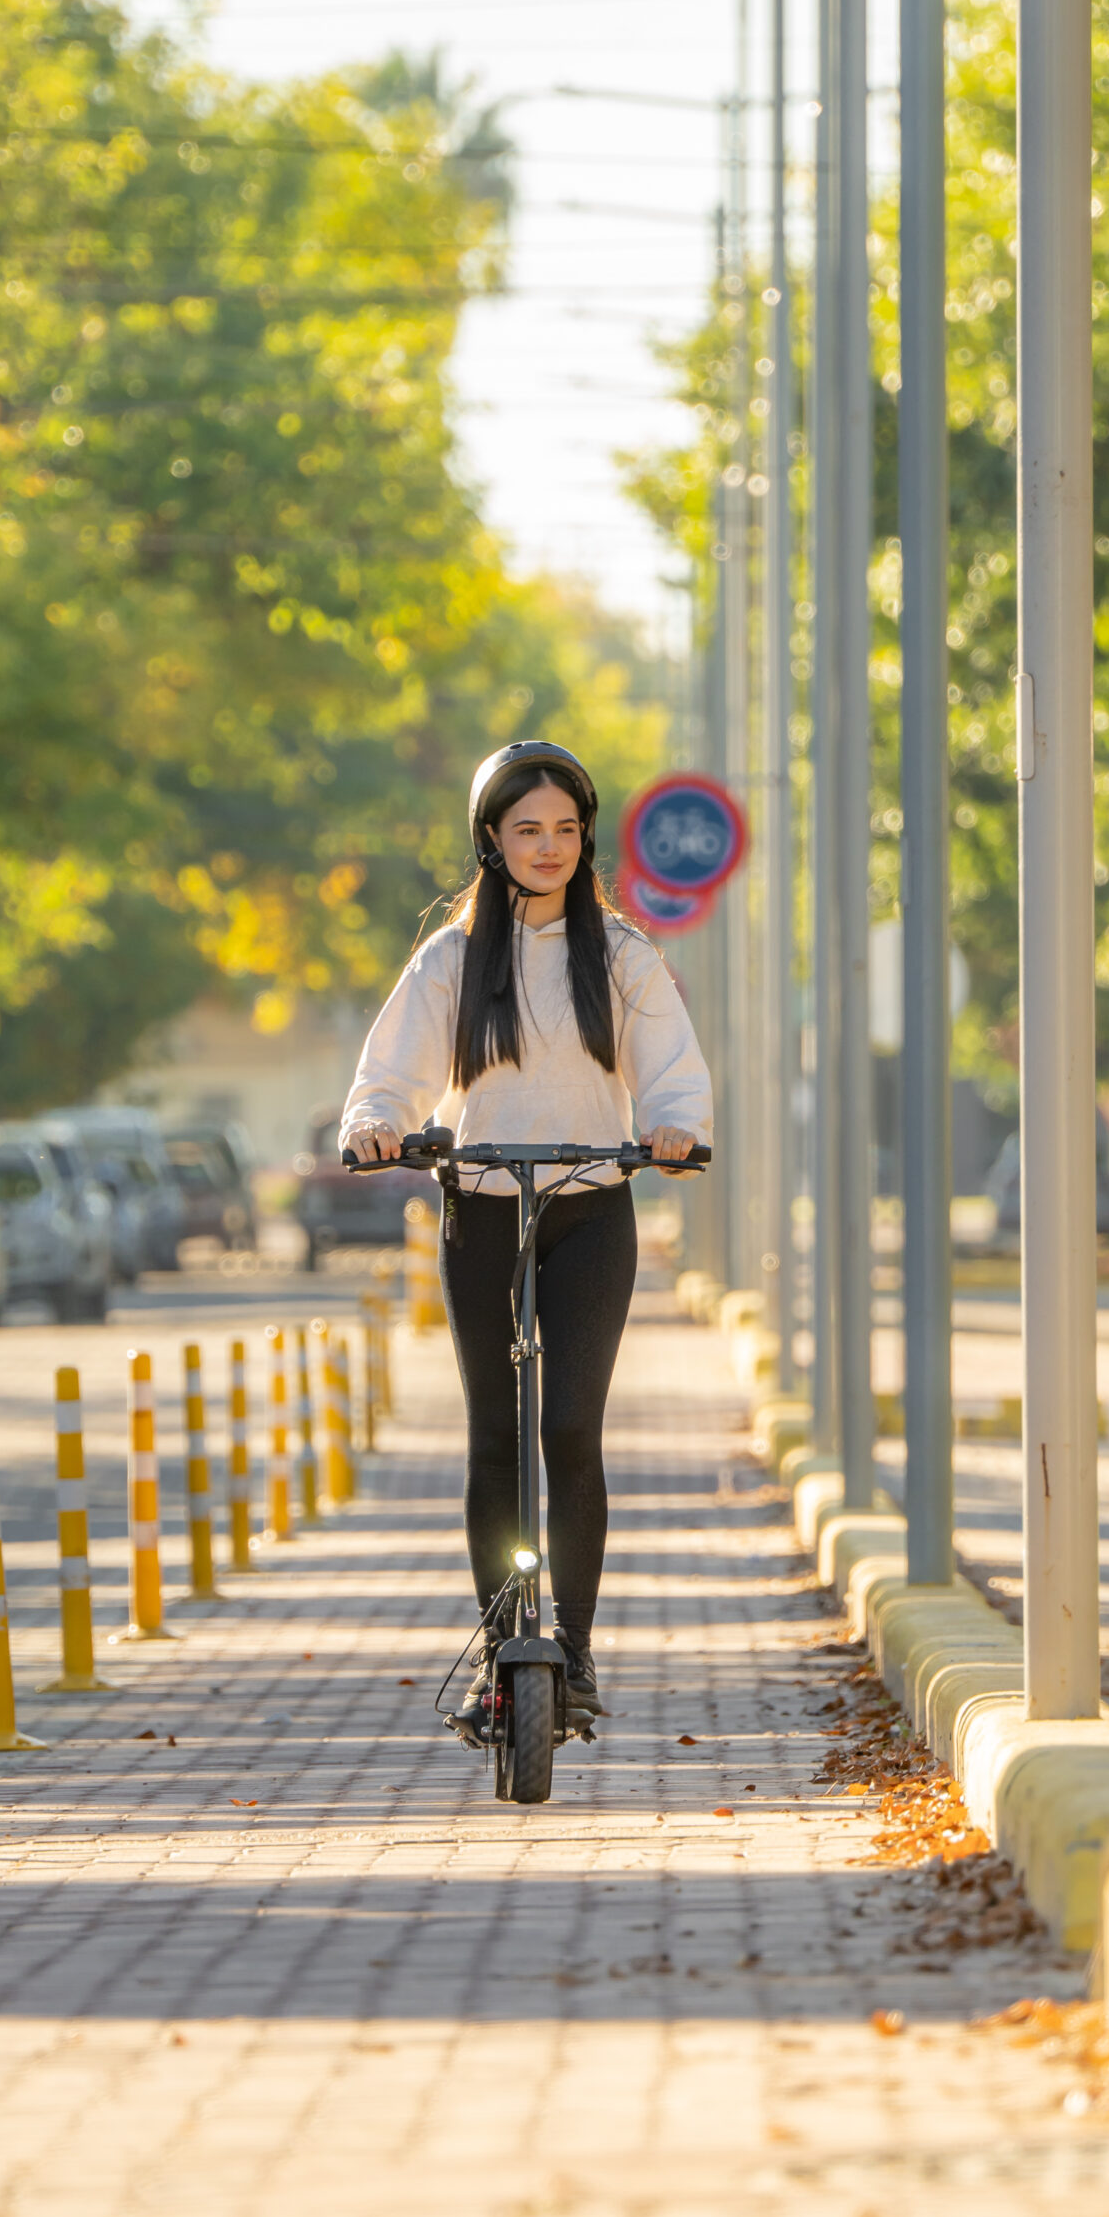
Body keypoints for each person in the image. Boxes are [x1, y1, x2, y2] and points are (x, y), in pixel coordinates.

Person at [340, 739, 713, 1742]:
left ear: (584, 836)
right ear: (491, 841)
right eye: (525, 829)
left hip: (591, 1207)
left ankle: (576, 1652)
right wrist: (378, 1123)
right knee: (498, 1435)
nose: (547, 846)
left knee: (571, 1431)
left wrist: (676, 1129)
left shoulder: (623, 955)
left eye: (564, 828)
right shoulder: (453, 959)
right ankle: (505, 1647)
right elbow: (392, 1071)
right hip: (482, 1207)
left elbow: (672, 1069)